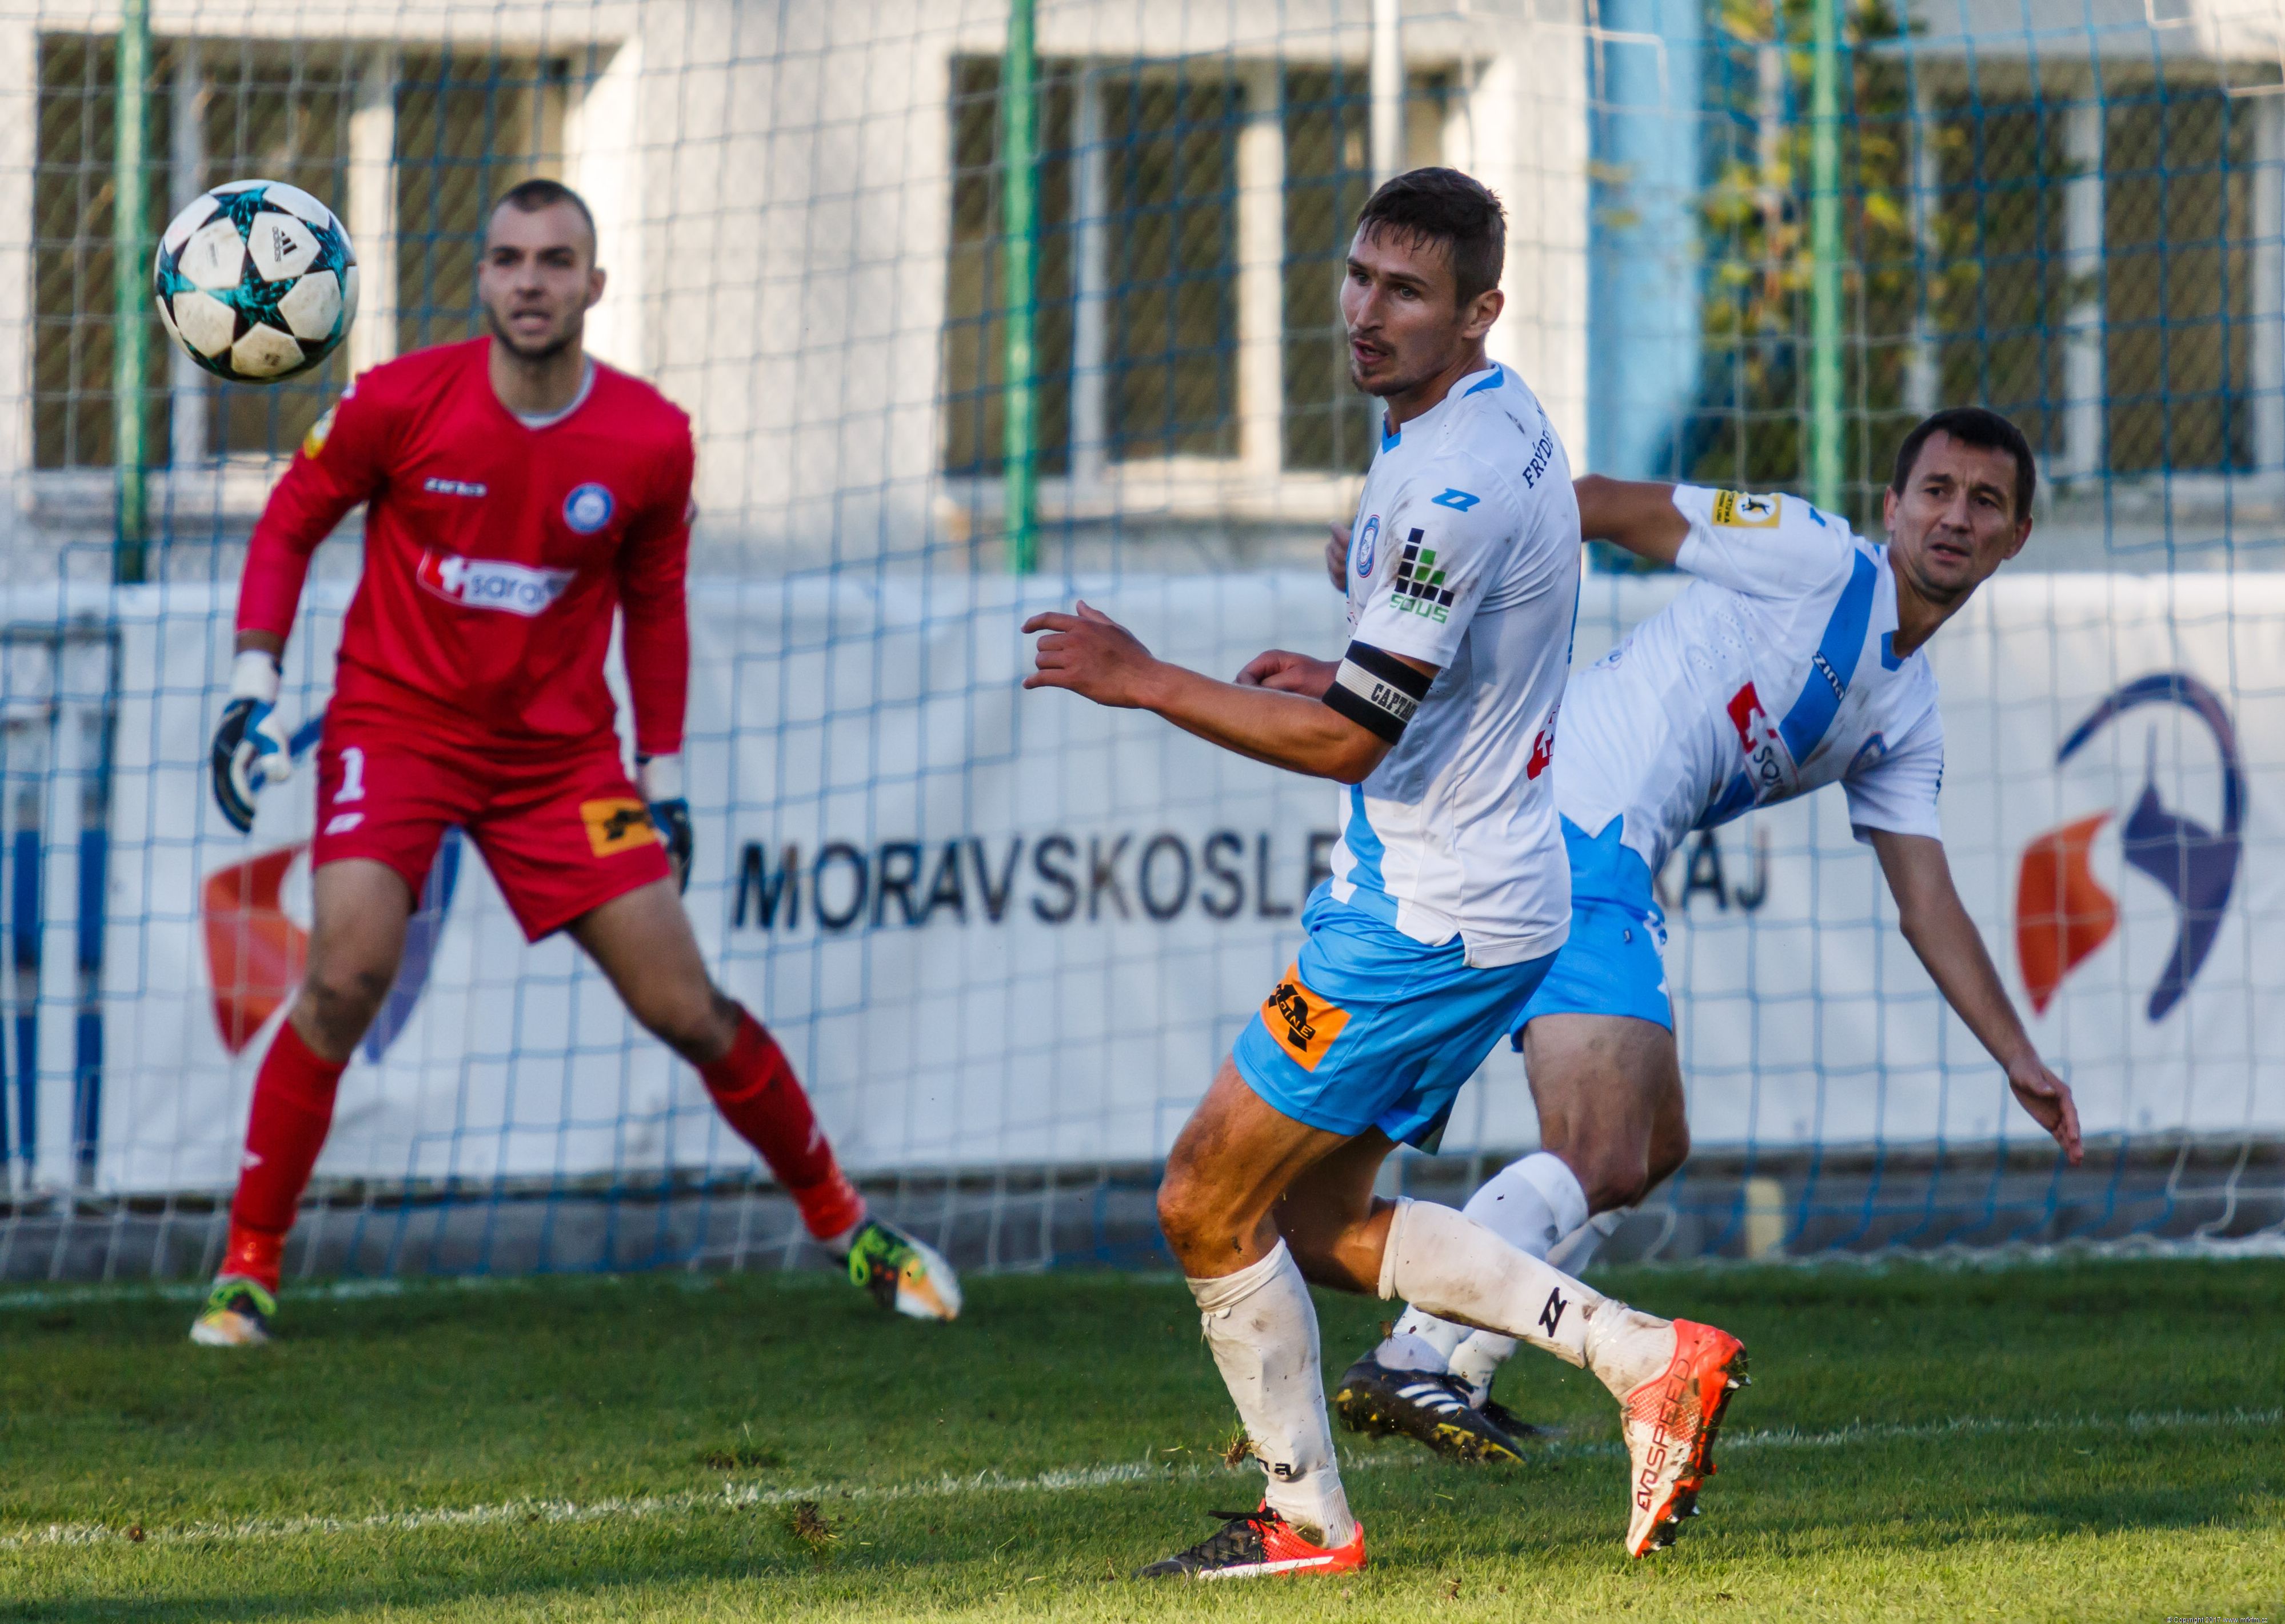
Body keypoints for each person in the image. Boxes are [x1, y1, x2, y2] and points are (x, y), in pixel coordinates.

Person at [1024, 167, 1747, 1577]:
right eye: (1358, 276)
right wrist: (1344, 666)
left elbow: (1348, 739)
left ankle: (1308, 1520)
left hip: (1426, 916)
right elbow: (1434, 668)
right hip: (1469, 881)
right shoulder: (1483, 414)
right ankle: (1638, 1356)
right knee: (1308, 1217)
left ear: (1480, 309)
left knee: (1200, 1198)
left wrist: (1144, 676)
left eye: (1405, 291)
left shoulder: (1449, 485)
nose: (1365, 311)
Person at [191, 178, 960, 1346]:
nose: (530, 281)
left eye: (555, 260)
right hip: (396, 730)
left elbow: (655, 604)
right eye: (509, 258)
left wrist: (667, 774)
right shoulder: (398, 400)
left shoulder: (650, 438)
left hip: (559, 763)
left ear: (594, 284)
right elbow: (292, 518)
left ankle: (846, 1223)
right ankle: (248, 1266)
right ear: (482, 279)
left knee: (687, 1005)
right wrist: (254, 681)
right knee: (345, 976)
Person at [1332, 408, 2083, 1457]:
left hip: (1593, 846)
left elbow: (1926, 902)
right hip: (1567, 825)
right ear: (1892, 506)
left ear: (2016, 536)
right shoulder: (1812, 553)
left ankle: (1457, 1360)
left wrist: (2017, 1056)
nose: (1955, 517)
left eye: (1985, 502)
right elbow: (1598, 504)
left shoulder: (1906, 714)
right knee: (1600, 1149)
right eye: (1936, 491)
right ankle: (1412, 1354)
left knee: (1652, 1146)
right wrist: (1418, 586)